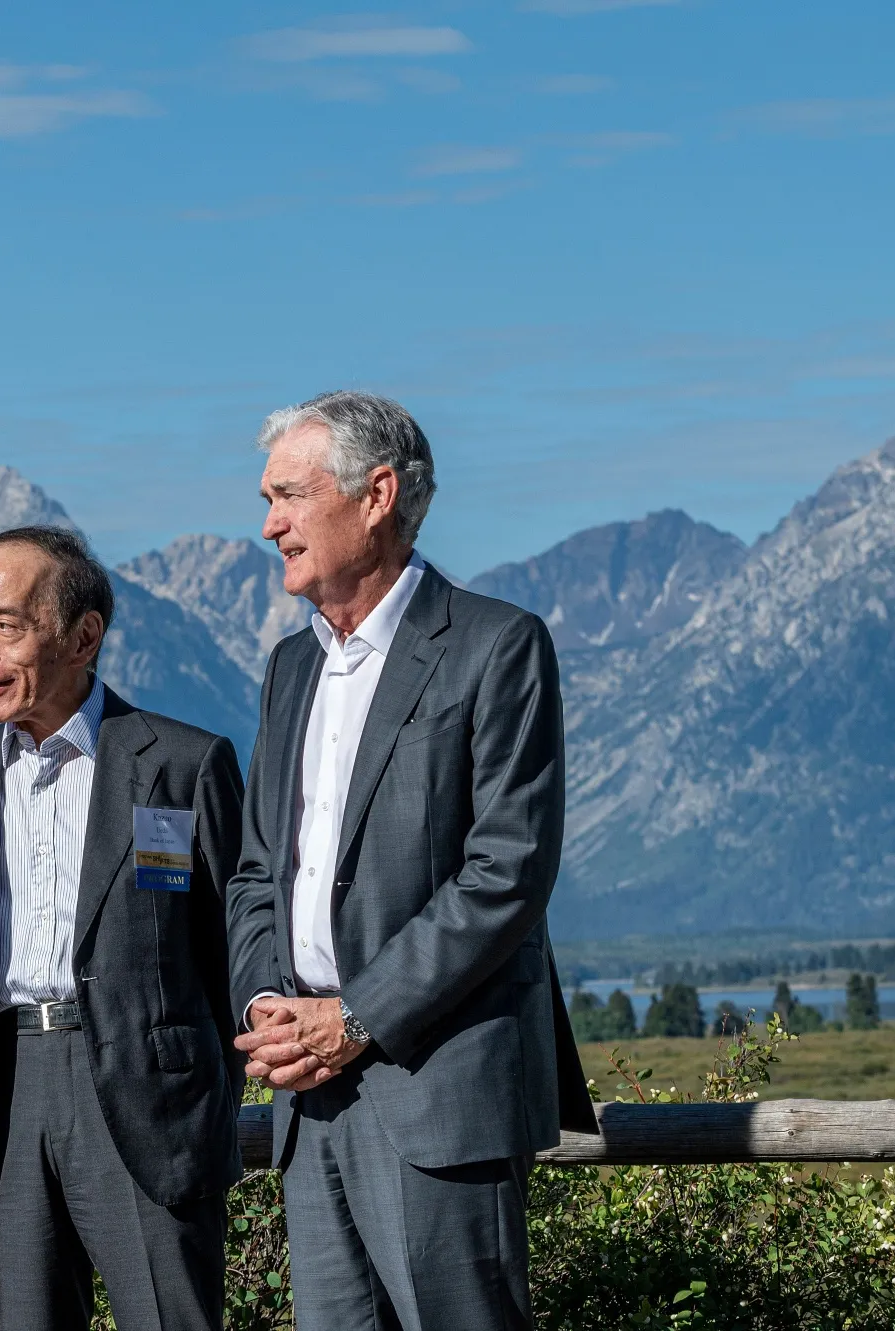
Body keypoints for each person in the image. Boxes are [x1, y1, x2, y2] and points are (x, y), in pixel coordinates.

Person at [226, 392, 597, 1331]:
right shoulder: (289, 667)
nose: (269, 525)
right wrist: (267, 1004)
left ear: (377, 495)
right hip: (307, 1096)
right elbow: (256, 870)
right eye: (268, 500)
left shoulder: (496, 645)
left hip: (439, 1091)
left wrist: (354, 1016)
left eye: (289, 496)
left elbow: (506, 872)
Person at [0, 525, 246, 1331]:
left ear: (83, 636)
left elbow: (232, 949)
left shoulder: (182, 763)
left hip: (151, 1095)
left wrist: (201, 1094)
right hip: (7, 1095)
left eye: (6, 625)